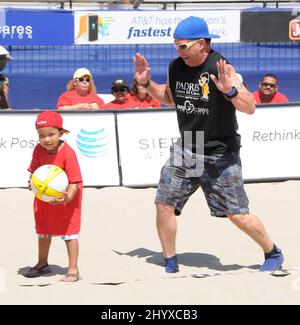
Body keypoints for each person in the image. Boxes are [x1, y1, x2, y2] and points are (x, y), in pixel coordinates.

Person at [134, 16, 284, 273]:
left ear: (201, 43)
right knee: (164, 203)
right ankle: (170, 263)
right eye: (176, 46)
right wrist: (146, 84)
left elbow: (250, 107)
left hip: (220, 151)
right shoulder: (176, 66)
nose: (178, 51)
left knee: (237, 214)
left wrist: (231, 91)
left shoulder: (222, 67)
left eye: (183, 46)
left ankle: (273, 252)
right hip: (191, 144)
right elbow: (169, 98)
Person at [25, 111, 83, 282]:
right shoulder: (38, 149)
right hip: (43, 198)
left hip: (66, 200)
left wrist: (68, 197)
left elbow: (75, 181)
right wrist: (32, 184)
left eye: (51, 134)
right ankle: (42, 263)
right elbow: (33, 172)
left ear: (61, 132)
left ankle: (73, 269)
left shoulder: (68, 152)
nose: (47, 139)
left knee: (69, 234)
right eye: (42, 135)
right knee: (43, 232)